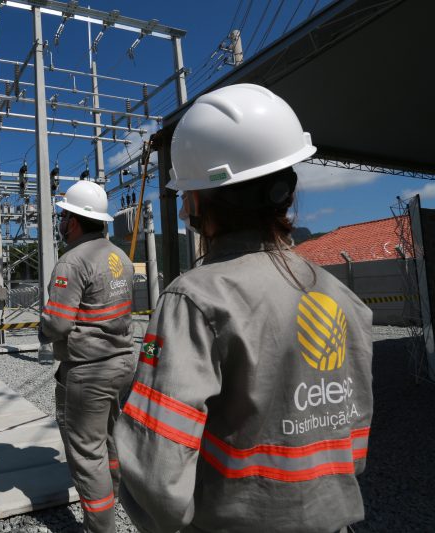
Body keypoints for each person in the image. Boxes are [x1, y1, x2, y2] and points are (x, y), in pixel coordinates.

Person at [114, 83, 374, 533]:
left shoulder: (195, 299)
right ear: (285, 190)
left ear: (198, 200)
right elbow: (353, 437)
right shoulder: (341, 295)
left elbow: (158, 472)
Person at [39, 180, 136, 533]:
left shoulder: (72, 261)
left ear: (75, 221)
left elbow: (59, 324)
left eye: (64, 215)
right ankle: (117, 503)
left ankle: (100, 527)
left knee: (86, 454)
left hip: (87, 372)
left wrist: (43, 328)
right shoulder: (120, 257)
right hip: (123, 364)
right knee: (109, 440)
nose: (62, 222)